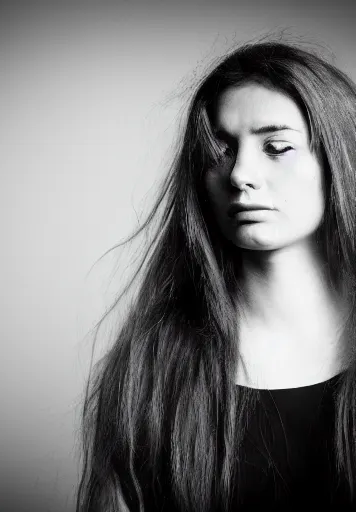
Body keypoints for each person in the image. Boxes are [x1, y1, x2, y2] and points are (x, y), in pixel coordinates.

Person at [76, 39, 356, 511]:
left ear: (339, 159)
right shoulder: (153, 363)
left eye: (277, 147)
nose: (240, 173)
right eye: (219, 150)